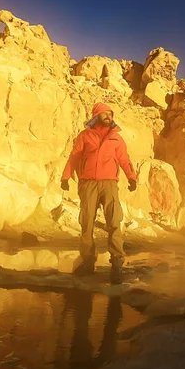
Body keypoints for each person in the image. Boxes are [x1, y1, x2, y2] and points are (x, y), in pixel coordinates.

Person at [60, 102, 137, 284]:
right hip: (88, 184)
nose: (109, 116)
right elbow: (75, 157)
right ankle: (87, 262)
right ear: (97, 116)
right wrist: (65, 177)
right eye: (105, 114)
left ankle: (117, 264)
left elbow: (124, 160)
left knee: (114, 221)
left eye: (110, 114)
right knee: (87, 222)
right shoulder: (85, 136)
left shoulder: (117, 139)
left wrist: (131, 177)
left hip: (109, 183)